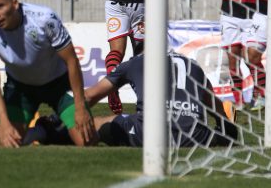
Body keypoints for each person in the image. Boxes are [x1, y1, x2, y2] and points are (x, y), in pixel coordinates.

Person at [0, 0, 96, 147]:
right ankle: (42, 130)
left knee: (87, 141)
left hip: (60, 85)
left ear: (14, 3)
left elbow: (71, 61)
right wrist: (4, 122)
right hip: (20, 89)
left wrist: (80, 107)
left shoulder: (45, 19)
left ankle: (53, 131)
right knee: (9, 142)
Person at [84, 52, 238, 147]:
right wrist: (226, 127)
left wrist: (71, 116)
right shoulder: (192, 64)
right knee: (218, 135)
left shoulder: (134, 62)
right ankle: (218, 138)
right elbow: (213, 104)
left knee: (98, 122)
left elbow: (90, 96)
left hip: (150, 133)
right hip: (194, 136)